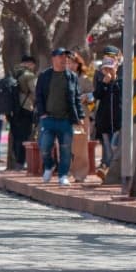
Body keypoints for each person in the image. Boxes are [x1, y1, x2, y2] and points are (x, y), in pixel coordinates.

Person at [34, 48, 84, 186]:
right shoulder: (44, 75)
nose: (64, 59)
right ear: (53, 58)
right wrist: (42, 113)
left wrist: (80, 115)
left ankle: (63, 175)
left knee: (65, 148)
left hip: (66, 119)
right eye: (60, 56)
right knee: (44, 146)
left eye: (65, 57)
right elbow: (38, 96)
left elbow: (76, 98)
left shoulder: (71, 76)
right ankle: (49, 165)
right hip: (48, 118)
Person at [66, 51, 94, 182]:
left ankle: (81, 173)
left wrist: (86, 97)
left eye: (73, 63)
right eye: (67, 63)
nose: (70, 65)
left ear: (78, 64)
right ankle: (66, 172)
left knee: (81, 143)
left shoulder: (84, 79)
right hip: (65, 115)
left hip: (82, 115)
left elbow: (93, 96)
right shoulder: (61, 78)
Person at [92, 54, 122, 174]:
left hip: (117, 122)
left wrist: (113, 82)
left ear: (116, 68)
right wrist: (104, 84)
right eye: (105, 69)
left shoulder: (120, 82)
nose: (108, 71)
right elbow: (97, 95)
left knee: (115, 146)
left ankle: (114, 170)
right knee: (107, 148)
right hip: (104, 122)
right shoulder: (101, 83)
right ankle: (108, 171)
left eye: (110, 68)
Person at [9, 56, 38, 170]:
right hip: (26, 108)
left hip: (13, 110)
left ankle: (17, 161)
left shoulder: (13, 74)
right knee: (25, 135)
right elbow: (35, 91)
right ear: (30, 64)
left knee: (17, 136)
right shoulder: (29, 75)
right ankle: (22, 162)